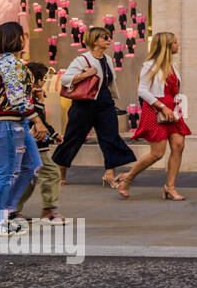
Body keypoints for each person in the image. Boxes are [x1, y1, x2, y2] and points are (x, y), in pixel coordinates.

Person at [52, 26, 136, 190]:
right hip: (84, 103)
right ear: (95, 41)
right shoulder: (82, 60)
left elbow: (109, 81)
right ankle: (60, 172)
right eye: (104, 37)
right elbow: (65, 79)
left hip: (105, 102)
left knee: (110, 137)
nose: (108, 40)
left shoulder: (108, 59)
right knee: (73, 138)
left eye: (108, 37)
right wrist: (85, 74)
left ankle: (109, 174)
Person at [116, 31, 191, 200]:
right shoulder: (149, 65)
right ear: (166, 46)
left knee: (178, 145)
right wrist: (162, 107)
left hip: (172, 110)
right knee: (157, 153)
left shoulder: (173, 66)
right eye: (175, 42)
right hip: (156, 109)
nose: (178, 45)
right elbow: (142, 91)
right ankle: (127, 178)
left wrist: (177, 107)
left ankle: (169, 187)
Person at [0, 22, 38, 234]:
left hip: (12, 120)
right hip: (7, 121)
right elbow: (16, 95)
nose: (25, 38)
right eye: (22, 35)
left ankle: (5, 212)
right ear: (14, 38)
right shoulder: (8, 62)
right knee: (7, 172)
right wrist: (37, 118)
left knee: (31, 165)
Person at [13, 62, 64, 224]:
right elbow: (37, 120)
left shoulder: (27, 97)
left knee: (28, 178)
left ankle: (12, 209)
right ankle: (48, 211)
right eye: (43, 79)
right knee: (51, 173)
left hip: (33, 144)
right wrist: (40, 102)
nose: (44, 82)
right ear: (36, 80)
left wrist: (54, 134)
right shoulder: (28, 99)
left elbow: (41, 122)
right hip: (35, 145)